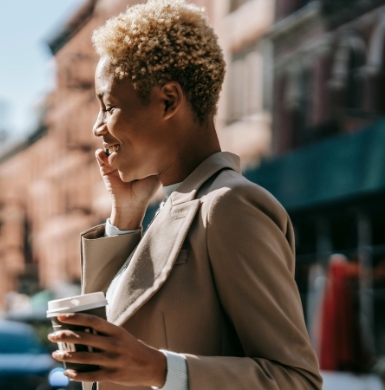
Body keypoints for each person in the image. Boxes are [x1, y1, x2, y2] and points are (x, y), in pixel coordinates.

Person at [46, 1, 322, 389]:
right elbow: (112, 335)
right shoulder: (167, 209)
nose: (97, 127)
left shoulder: (229, 205)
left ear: (169, 100)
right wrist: (125, 218)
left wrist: (161, 369)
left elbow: (297, 380)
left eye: (108, 106)